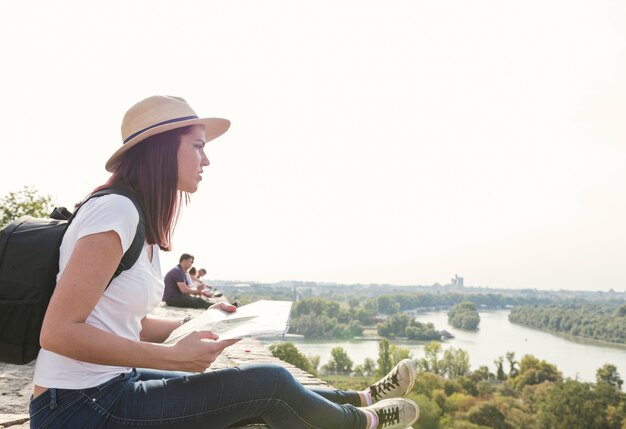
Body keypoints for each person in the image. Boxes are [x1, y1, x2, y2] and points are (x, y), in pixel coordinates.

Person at [29, 95, 419, 429]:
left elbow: (123, 322)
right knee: (270, 384)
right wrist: (170, 358)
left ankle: (359, 396)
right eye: (197, 146)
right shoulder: (115, 211)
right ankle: (362, 422)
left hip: (105, 389)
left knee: (243, 380)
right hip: (78, 407)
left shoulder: (137, 218)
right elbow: (59, 332)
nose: (207, 160)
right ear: (163, 149)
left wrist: (201, 321)